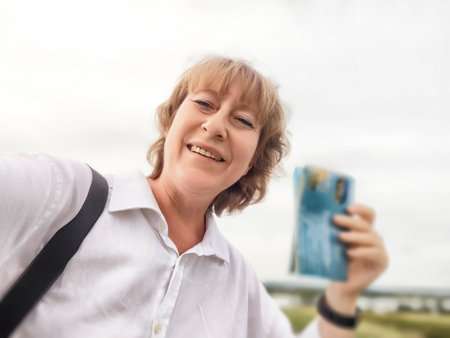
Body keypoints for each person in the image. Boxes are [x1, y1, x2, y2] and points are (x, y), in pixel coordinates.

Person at [0, 56, 388, 337]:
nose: (216, 125)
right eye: (204, 103)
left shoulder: (238, 280)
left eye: (242, 121)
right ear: (171, 120)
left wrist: (343, 293)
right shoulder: (62, 193)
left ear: (253, 161)